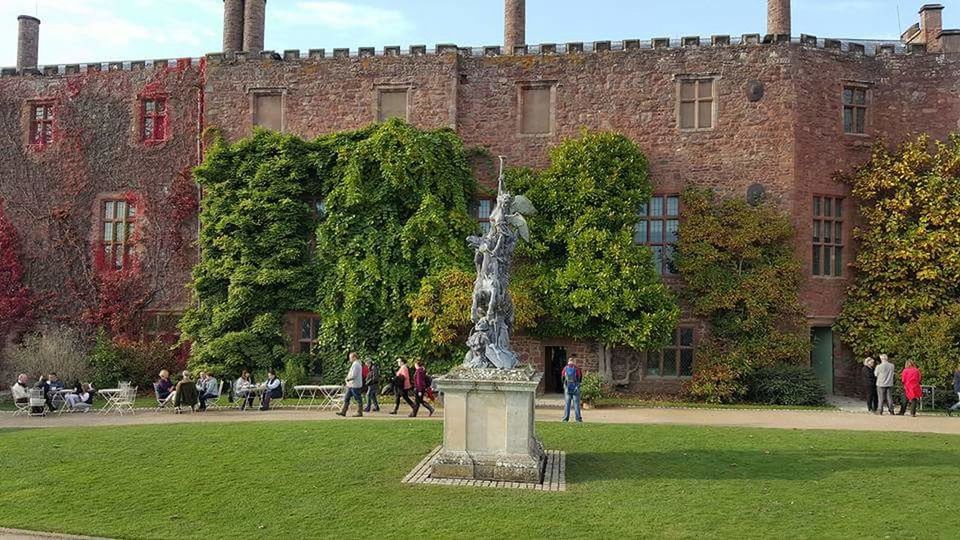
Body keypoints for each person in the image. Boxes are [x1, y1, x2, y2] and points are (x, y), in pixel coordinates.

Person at [337, 352, 364, 417]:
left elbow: (353, 375)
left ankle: (359, 412)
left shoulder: (356, 364)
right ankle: (343, 411)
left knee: (358, 398)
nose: (350, 359)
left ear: (354, 357)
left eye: (350, 358)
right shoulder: (355, 364)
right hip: (351, 385)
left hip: (354, 385)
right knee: (346, 398)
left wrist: (347, 378)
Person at [561, 357, 583, 423]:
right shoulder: (577, 369)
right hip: (575, 387)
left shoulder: (565, 368)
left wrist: (565, 385)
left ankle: (565, 419)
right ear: (574, 362)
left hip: (568, 387)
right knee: (576, 404)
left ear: (568, 361)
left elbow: (562, 378)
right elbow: (580, 378)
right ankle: (578, 419)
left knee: (567, 404)